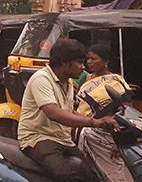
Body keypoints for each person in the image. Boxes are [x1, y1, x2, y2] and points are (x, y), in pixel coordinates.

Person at [18, 38, 118, 182]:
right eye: (79, 62)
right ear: (65, 63)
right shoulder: (41, 79)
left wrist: (100, 123)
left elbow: (68, 111)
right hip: (38, 138)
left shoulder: (68, 82)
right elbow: (53, 113)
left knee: (92, 174)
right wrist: (93, 122)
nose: (83, 67)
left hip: (63, 140)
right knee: (67, 175)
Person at [74, 45, 137, 182]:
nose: (89, 62)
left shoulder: (116, 80)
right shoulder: (84, 79)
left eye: (94, 59)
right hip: (83, 130)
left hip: (107, 134)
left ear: (105, 62)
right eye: (88, 59)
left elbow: (127, 110)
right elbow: (78, 104)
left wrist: (118, 139)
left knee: (113, 174)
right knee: (87, 172)